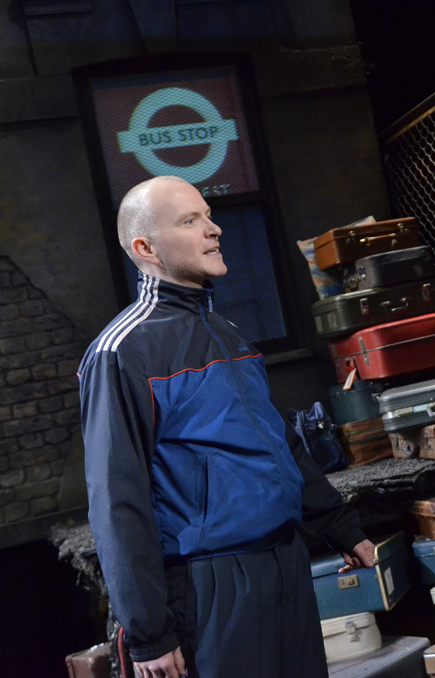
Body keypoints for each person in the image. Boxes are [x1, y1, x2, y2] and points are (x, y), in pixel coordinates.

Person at [79, 175, 376, 678]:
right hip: (211, 584)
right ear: (146, 248)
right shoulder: (121, 352)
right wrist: (149, 633)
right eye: (189, 221)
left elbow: (277, 443)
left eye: (209, 216)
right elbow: (116, 499)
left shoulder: (228, 333)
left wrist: (338, 527)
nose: (214, 229)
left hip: (284, 564)